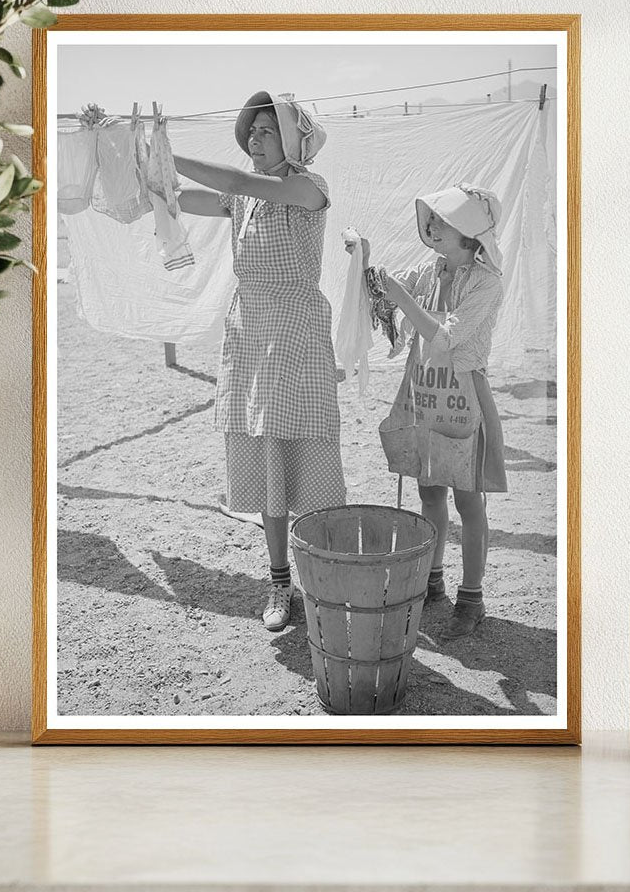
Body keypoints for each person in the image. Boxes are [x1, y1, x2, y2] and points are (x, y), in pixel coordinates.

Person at [171, 91, 347, 631]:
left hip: (295, 327)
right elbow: (180, 200)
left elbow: (241, 183)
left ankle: (326, 580)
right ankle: (279, 583)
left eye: (267, 130)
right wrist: (139, 160)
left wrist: (166, 152)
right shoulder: (241, 200)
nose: (255, 137)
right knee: (269, 456)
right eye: (252, 129)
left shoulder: (306, 187)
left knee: (309, 456)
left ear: (292, 141)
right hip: (251, 327)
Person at [347, 185, 508, 637]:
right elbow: (386, 294)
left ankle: (471, 597)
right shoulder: (429, 270)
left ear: (470, 234)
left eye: (443, 218)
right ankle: (432, 581)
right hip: (425, 392)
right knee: (430, 492)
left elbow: (444, 337)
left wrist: (401, 297)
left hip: (464, 397)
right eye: (432, 217)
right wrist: (364, 257)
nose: (431, 225)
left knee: (468, 499)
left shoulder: (486, 283)